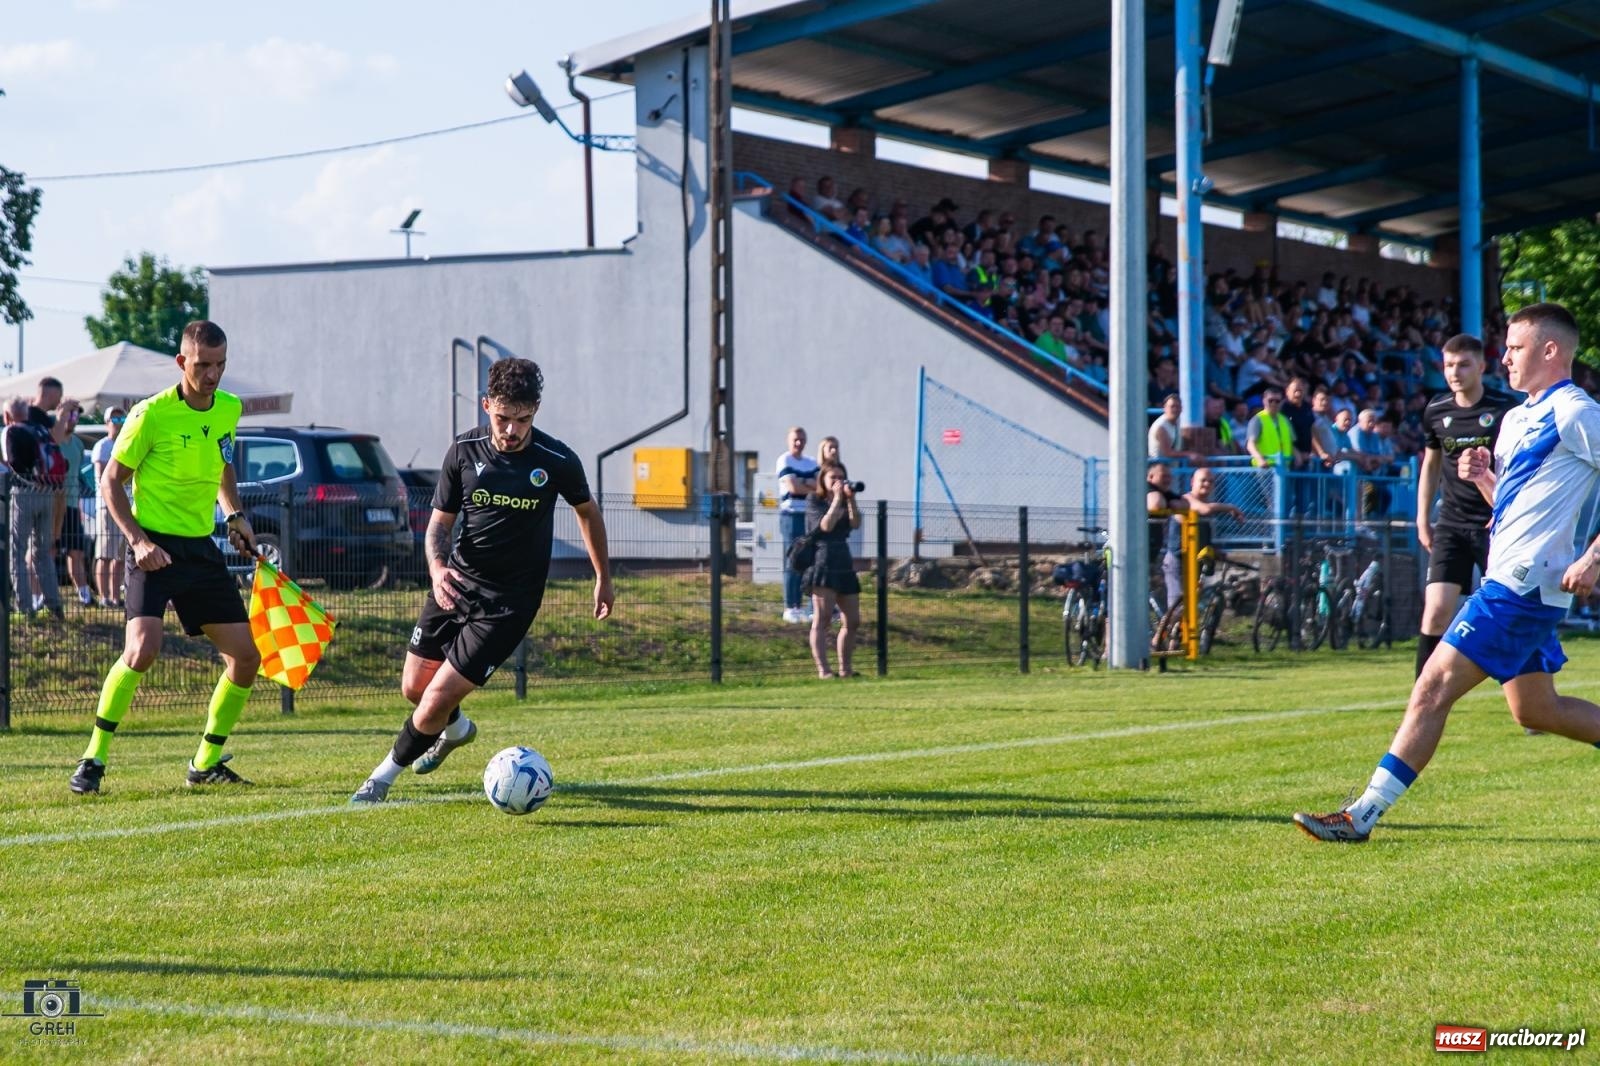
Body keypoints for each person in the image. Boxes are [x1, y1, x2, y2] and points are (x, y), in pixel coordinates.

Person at [1295, 303, 1600, 843]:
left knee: (1431, 686)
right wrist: (1485, 478)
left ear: (1551, 351)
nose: (1503, 357)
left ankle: (1361, 815)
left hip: (1521, 587)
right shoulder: (1514, 418)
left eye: (1515, 347)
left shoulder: (1576, 411)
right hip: (1510, 578)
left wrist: (1592, 556)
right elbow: (1513, 502)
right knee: (1537, 710)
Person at [352, 357, 614, 803]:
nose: (512, 431)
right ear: (486, 404)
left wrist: (603, 577)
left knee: (433, 700)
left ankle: (379, 780)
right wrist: (437, 571)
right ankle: (457, 730)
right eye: (502, 418)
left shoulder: (556, 460)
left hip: (508, 604)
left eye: (523, 420)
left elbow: (587, 512)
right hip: (455, 583)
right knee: (414, 689)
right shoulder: (463, 451)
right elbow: (437, 526)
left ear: (536, 412)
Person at [69, 321, 262, 795]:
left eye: (220, 365)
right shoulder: (150, 414)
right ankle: (93, 758)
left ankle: (206, 761)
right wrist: (137, 542)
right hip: (152, 547)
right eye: (203, 365)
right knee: (142, 650)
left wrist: (235, 515)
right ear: (181, 363)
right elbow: (111, 481)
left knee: (246, 658)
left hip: (200, 550)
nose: (213, 374)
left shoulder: (229, 409)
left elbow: (222, 463)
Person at [1413, 335, 1515, 678]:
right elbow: (1430, 465)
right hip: (1451, 524)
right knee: (1436, 610)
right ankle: (1421, 700)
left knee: (1509, 613)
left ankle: (1534, 701)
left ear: (1482, 368)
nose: (1454, 372)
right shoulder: (1436, 411)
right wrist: (1422, 519)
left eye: (1463, 364)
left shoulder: (1504, 411)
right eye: (1448, 366)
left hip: (1495, 527)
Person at [3, 396, 65, 620]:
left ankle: (25, 607)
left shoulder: (11, 431)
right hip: (47, 493)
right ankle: (55, 605)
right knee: (43, 552)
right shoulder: (41, 430)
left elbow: (13, 462)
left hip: (24, 493)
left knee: (17, 551)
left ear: (7, 415)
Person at [1160, 467, 1244, 611]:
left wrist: (1215, 551)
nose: (1207, 484)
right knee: (1178, 609)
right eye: (1203, 480)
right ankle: (1167, 631)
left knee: (1200, 607)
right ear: (1192, 482)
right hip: (1178, 561)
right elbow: (1205, 509)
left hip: (1196, 563)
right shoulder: (1186, 500)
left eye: (1210, 481)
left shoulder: (1204, 507)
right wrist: (1231, 507)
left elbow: (1201, 537)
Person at [806, 461, 861, 678]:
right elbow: (825, 526)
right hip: (823, 559)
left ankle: (845, 669)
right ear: (823, 481)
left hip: (843, 560)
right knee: (823, 618)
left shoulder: (846, 501)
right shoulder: (814, 500)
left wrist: (851, 500)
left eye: (841, 477)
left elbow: (855, 523)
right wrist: (837, 499)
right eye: (833, 478)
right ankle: (824, 670)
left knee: (853, 620)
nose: (838, 482)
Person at [53, 398, 94, 608]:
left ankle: (84, 594)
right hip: (52, 507)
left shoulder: (78, 444)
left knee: (76, 552)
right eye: (69, 414)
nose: (73, 419)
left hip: (71, 506)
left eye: (76, 415)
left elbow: (78, 477)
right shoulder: (53, 439)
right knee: (49, 551)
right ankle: (47, 596)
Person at [775, 426, 819, 624]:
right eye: (795, 439)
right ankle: (790, 606)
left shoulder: (812, 462)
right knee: (793, 560)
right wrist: (808, 483)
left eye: (802, 439)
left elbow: (821, 487)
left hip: (809, 515)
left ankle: (809, 607)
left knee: (810, 561)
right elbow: (793, 487)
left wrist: (806, 484)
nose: (798, 443)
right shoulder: (784, 460)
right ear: (788, 440)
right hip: (791, 515)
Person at [92, 406, 129, 607]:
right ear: (107, 422)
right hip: (107, 506)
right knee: (105, 553)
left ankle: (116, 596)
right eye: (114, 419)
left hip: (125, 505)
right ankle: (104, 596)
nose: (118, 423)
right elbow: (102, 478)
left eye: (122, 419)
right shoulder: (102, 446)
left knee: (119, 556)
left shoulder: (125, 444)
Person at [1246, 388, 1294, 469]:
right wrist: (1260, 459)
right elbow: (1250, 444)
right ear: (1264, 401)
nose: (1274, 403)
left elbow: (1290, 443)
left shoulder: (1285, 420)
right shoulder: (1257, 419)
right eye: (1270, 400)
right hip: (1265, 469)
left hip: (1284, 467)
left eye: (1277, 401)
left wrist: (1297, 455)